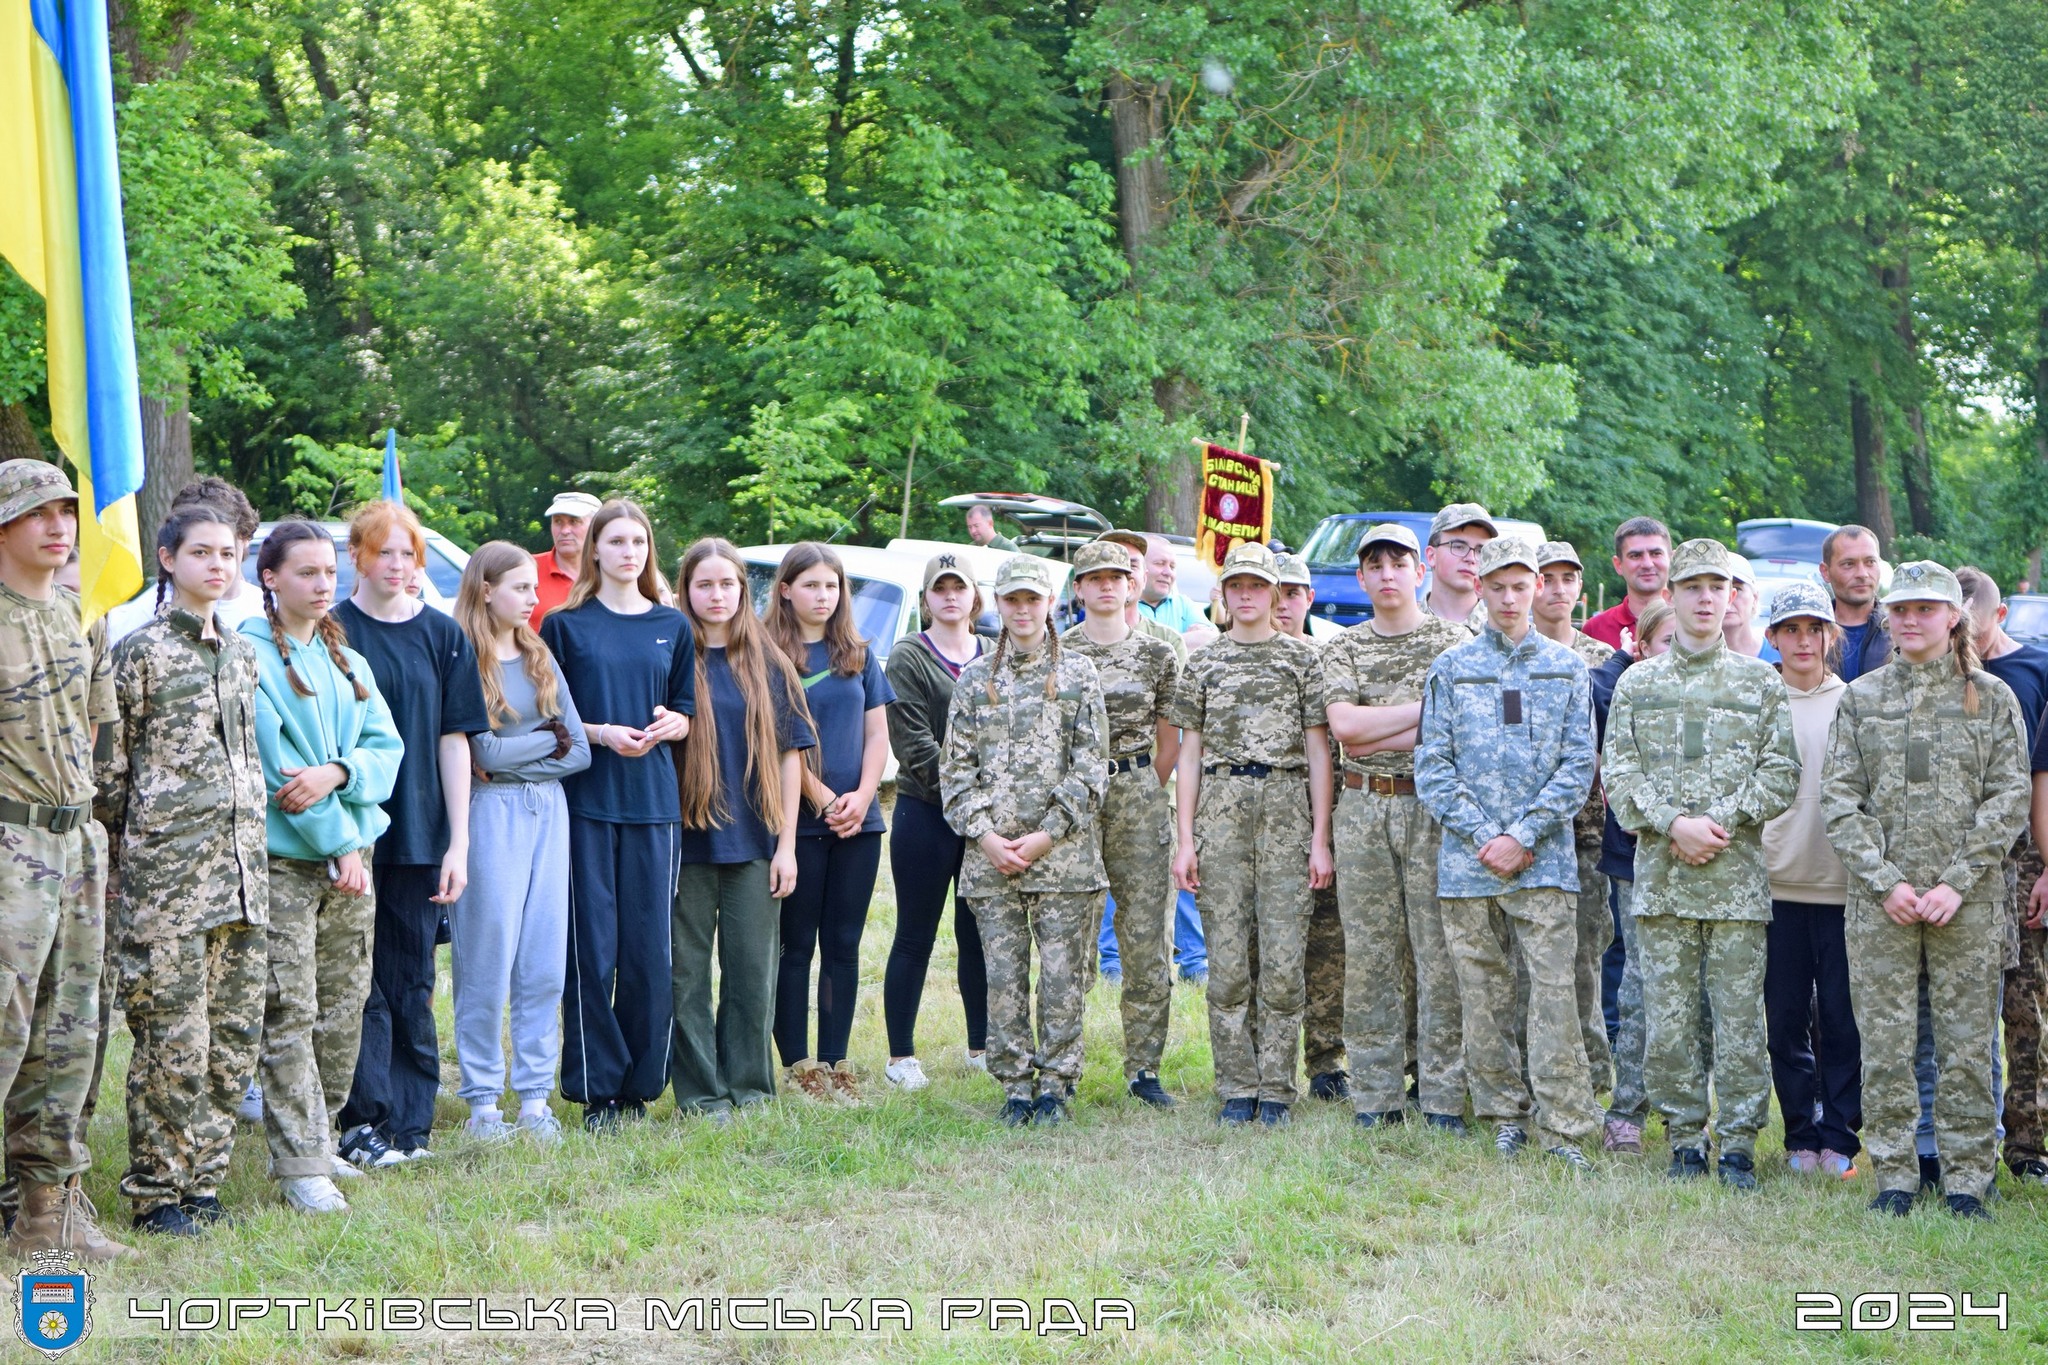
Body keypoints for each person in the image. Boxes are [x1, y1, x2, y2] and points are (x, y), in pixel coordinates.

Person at [1824, 561, 2030, 1219]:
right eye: (1901, 609)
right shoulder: (1861, 697)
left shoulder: (1991, 697)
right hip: (1881, 904)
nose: (1911, 619)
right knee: (1885, 1043)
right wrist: (1886, 882)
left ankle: (1969, 1177)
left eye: (1926, 608)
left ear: (1953, 617)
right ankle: (1895, 1172)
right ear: (1889, 617)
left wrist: (1956, 884)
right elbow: (1839, 799)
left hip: (1965, 906)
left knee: (1967, 1044)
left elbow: (2010, 796)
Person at [1603, 539, 1799, 1190]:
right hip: (1663, 881)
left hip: (1735, 882)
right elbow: (1619, 772)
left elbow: (1781, 772)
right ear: (1672, 595)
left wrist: (1724, 820)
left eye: (1719, 586)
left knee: (1742, 1020)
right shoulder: (1639, 683)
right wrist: (1673, 823)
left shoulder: (1759, 681)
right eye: (1693, 586)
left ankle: (1739, 1141)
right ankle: (1685, 1135)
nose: (1707, 597)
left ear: (1734, 597)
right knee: (1668, 1019)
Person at [96, 503, 271, 1235]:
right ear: (167, 559)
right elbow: (110, 775)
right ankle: (157, 1194)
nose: (217, 565)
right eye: (201, 552)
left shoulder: (242, 653)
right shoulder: (138, 654)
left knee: (232, 1043)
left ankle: (204, 1182)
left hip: (241, 880)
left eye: (228, 553)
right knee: (174, 1046)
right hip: (165, 889)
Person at [1416, 538, 1602, 1169]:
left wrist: (1523, 834)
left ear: (1538, 588)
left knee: (1553, 996)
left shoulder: (1566, 668)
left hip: (1544, 863)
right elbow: (1433, 767)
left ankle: (1566, 1127)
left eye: (1520, 586)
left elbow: (1579, 765)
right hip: (1469, 867)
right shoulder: (1451, 668)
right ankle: (1503, 1114)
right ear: (1481, 589)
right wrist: (1482, 836)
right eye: (1496, 586)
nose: (1508, 597)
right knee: (1483, 996)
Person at [243, 520, 403, 1206]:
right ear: (271, 578)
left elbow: (385, 749)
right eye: (305, 572)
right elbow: (278, 771)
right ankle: (298, 1164)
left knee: (343, 1007)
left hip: (351, 862)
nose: (321, 584)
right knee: (290, 1006)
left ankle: (325, 1136)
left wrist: (340, 771)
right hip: (290, 862)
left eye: (329, 573)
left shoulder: (347, 659)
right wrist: (337, 841)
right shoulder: (250, 657)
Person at [0, 461, 130, 1261]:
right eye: (37, 512)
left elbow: (97, 731)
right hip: (8, 843)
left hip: (76, 841)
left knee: (69, 1033)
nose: (59, 525)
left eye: (67, 511)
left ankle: (48, 1215)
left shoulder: (84, 614)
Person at [332, 502, 488, 1165]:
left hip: (421, 833)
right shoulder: (333, 632)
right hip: (350, 833)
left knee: (411, 980)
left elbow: (456, 742)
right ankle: (361, 1120)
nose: (397, 565)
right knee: (356, 984)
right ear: (357, 557)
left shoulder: (444, 636)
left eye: (408, 554)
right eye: (384, 552)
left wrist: (459, 842)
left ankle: (411, 1125)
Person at [539, 500, 694, 1132]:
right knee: (592, 949)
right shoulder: (565, 625)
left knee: (649, 951)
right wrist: (600, 733)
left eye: (639, 541)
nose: (628, 552)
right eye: (616, 541)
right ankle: (596, 1087)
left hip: (654, 806)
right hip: (588, 805)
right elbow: (549, 717)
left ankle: (640, 1086)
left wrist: (675, 722)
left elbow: (686, 706)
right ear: (594, 550)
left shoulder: (672, 625)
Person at [1170, 542, 1334, 1127]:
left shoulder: (1302, 659)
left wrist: (1320, 837)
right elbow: (1189, 754)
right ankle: (1237, 1083)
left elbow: (1319, 751)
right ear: (1223, 593)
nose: (1245, 596)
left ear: (1273, 593)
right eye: (1235, 586)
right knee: (1230, 957)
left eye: (1257, 587)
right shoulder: (1205, 663)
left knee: (1286, 958)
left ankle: (1278, 1087)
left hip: (1288, 806)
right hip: (1222, 807)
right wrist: (1186, 838)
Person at [942, 555, 1108, 1125]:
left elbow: (1091, 767)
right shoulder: (974, 679)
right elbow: (955, 771)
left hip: (1062, 858)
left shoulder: (1081, 675)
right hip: (991, 861)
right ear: (999, 603)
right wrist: (986, 836)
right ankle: (1015, 1085)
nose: (1021, 610)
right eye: (1011, 599)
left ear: (1050, 602)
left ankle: (1057, 1086)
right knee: (1004, 978)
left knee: (1063, 978)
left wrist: (1046, 834)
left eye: (1031, 599)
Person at [1323, 524, 1470, 1131]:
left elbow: (1461, 728)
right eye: (1374, 565)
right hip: (1360, 809)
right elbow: (1345, 729)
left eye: (1398, 562)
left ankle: (1440, 1096)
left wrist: (1392, 720)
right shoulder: (1343, 648)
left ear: (1421, 570)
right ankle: (1377, 1094)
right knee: (1371, 955)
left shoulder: (1454, 642)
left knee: (1439, 955)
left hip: (1433, 806)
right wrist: (1429, 711)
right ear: (1361, 577)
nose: (1387, 574)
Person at [449, 543, 590, 1144]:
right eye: (522, 588)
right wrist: (548, 738)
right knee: (487, 955)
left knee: (541, 957)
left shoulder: (539, 654)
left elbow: (580, 750)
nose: (536, 599)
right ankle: (483, 1103)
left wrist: (526, 750)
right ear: (486, 589)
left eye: (536, 588)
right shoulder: (462, 657)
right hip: (489, 816)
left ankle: (535, 1098)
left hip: (547, 814)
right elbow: (480, 752)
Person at [672, 538, 815, 1119]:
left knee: (753, 975)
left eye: (727, 584)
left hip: (756, 844)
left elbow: (790, 758)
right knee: (686, 978)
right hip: (685, 841)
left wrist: (786, 846)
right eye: (704, 584)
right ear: (686, 589)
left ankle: (750, 1087)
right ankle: (703, 1093)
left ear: (743, 590)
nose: (716, 595)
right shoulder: (672, 655)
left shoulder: (769, 662)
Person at [764, 543, 893, 1103]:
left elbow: (877, 735)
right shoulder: (766, 655)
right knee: (796, 947)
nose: (823, 595)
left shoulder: (858, 653)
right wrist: (822, 798)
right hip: (799, 822)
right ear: (786, 589)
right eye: (811, 585)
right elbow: (771, 741)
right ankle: (798, 1065)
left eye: (832, 586)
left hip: (858, 823)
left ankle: (838, 1060)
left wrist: (863, 797)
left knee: (843, 945)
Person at [1061, 541, 1180, 1107]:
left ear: (1132, 585)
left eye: (1117, 576)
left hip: (1137, 787)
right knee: (1071, 929)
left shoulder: (1156, 655)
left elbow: (1170, 736)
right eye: (1094, 578)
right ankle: (1064, 1062)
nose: (1107, 586)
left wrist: (1142, 783)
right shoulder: (1059, 653)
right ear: (1078, 588)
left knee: (1145, 932)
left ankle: (1143, 1068)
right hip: (1075, 795)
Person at [1756, 582, 1860, 1179]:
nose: (1803, 640)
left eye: (1813, 629)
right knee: (1786, 1017)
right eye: (1790, 630)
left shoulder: (1856, 701)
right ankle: (1799, 1131)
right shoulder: (1758, 701)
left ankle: (1840, 1136)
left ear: (1829, 635)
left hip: (1844, 886)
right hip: (1777, 885)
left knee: (1844, 1020)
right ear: (1772, 637)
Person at [881, 553, 991, 1089]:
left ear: (975, 596)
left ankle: (981, 1046)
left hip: (982, 823)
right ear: (926, 598)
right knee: (915, 935)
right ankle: (901, 1056)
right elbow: (916, 745)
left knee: (977, 935)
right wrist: (970, 792)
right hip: (926, 812)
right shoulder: (908, 656)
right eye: (939, 587)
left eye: (959, 587)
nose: (950, 596)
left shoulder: (996, 654)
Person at [1956, 568, 2048, 1185]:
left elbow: (2043, 777)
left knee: (2027, 1006)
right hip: (1961, 858)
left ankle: (2029, 1144)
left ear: (1999, 617)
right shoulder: (1948, 674)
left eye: (1970, 621)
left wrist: (2046, 863)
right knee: (1964, 1006)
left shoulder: (2035, 670)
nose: (1962, 632)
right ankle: (1968, 1137)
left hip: (2025, 858)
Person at [1091, 531, 1205, 990]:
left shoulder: (1163, 643)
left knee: (1169, 873)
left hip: (1154, 778)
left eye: (1133, 565)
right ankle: (1109, 958)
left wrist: (1145, 782)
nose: (1129, 574)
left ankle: (1191, 956)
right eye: (1116, 567)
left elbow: (1171, 727)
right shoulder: (1075, 644)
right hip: (1090, 783)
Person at [1588, 600, 1677, 1154]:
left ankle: (1688, 1113)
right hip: (1636, 856)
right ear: (1639, 647)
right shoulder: (1622, 691)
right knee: (1640, 988)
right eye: (1664, 641)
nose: (1676, 652)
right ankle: (1628, 1110)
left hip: (1708, 860)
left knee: (1696, 994)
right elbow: (1614, 772)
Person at [1531, 541, 1617, 1096]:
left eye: (1568, 578)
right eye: (1548, 577)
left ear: (1581, 590)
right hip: (1526, 835)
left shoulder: (1602, 659)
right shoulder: (1512, 655)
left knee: (1585, 961)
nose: (1559, 588)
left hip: (1586, 833)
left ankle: (1591, 1077)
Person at [1271, 553, 1347, 1100]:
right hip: (1261, 818)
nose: (1282, 604)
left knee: (1326, 943)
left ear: (1309, 598)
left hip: (1326, 813)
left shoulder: (1331, 656)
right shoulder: (1238, 656)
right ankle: (1262, 1060)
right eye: (1274, 594)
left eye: (1293, 593)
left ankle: (1326, 1061)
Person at [1583, 517, 1672, 652]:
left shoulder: (1690, 624)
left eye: (1656, 553)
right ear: (1618, 565)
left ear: (1671, 559)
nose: (1647, 564)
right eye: (1636, 555)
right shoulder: (1595, 630)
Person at [1820, 525, 1888, 681]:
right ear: (1825, 572)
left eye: (1870, 562)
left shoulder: (1899, 631)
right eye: (1848, 564)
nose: (1862, 574)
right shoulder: (1811, 633)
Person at [531, 490, 601, 629]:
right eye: (558, 521)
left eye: (574, 521)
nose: (564, 530)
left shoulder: (610, 572)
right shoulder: (528, 568)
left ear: (596, 527)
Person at [1423, 503, 1497, 627]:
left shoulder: (1501, 630)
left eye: (1481, 551)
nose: (1471, 558)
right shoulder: (1403, 627)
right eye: (1458, 547)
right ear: (1431, 556)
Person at [1140, 534, 1210, 637]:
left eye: (1172, 567)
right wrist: (1185, 639)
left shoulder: (1183, 605)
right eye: (1160, 563)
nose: (1168, 572)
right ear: (1139, 566)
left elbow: (1210, 639)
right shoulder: (1123, 606)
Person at [1724, 556, 1765, 658]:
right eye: (1717, 588)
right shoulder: (1687, 659)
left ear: (1755, 598)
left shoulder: (1782, 655)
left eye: (1737, 589)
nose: (1728, 599)